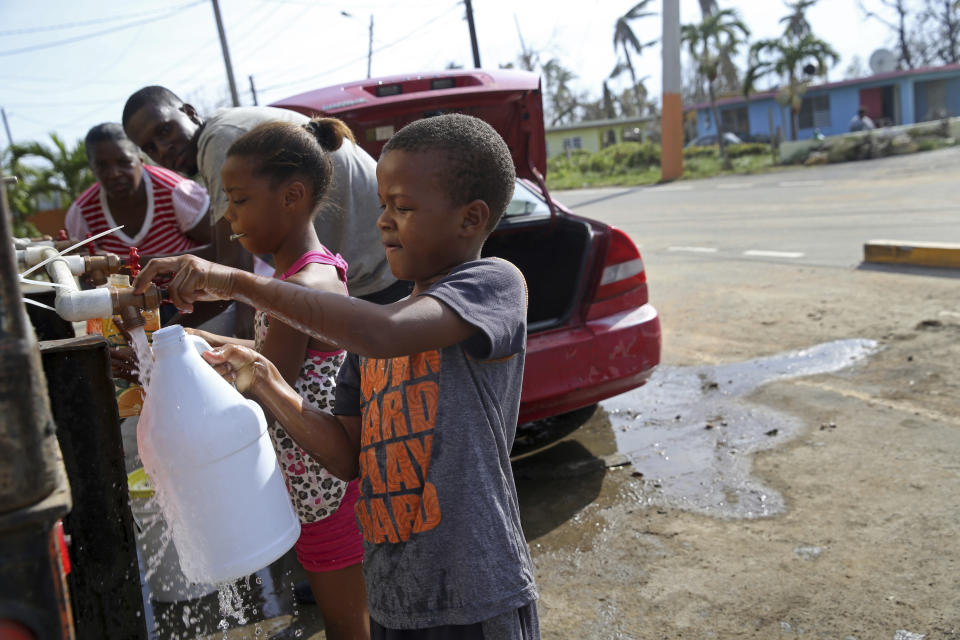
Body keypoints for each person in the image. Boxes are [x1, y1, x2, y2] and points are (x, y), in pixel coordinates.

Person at [133, 113, 540, 639]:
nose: (384, 221)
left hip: (475, 594)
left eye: (404, 207)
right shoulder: (371, 337)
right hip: (395, 596)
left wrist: (235, 282)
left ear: (471, 218)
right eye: (384, 204)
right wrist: (262, 378)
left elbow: (386, 333)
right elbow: (348, 457)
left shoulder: (491, 285)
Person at [184, 118, 369, 640]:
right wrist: (198, 348)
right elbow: (266, 358)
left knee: (346, 623)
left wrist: (189, 377)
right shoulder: (300, 276)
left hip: (324, 484)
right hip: (314, 477)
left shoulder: (303, 289)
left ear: (291, 196)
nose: (226, 214)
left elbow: (265, 383)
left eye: (238, 200)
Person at [121, 86, 403, 305]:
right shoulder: (222, 132)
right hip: (377, 266)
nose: (163, 148)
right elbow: (228, 258)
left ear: (190, 112)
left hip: (383, 273)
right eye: (151, 147)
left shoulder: (220, 141)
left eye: (165, 130)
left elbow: (230, 261)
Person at [65, 123, 210, 258]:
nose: (114, 173)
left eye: (124, 162)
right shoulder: (82, 213)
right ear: (92, 170)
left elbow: (218, 250)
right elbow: (86, 273)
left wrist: (125, 265)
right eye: (102, 166)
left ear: (141, 160)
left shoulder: (176, 192)